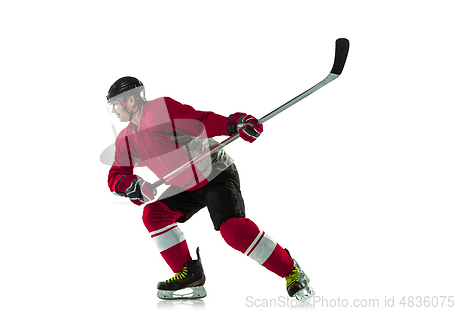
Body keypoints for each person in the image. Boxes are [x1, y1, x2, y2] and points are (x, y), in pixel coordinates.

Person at [106, 76, 314, 301]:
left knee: (233, 231)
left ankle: (292, 271)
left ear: (131, 101)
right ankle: (190, 275)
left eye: (116, 104)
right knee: (154, 214)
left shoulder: (158, 110)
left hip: (214, 170)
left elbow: (199, 121)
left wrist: (233, 125)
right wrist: (132, 186)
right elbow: (117, 174)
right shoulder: (126, 139)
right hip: (185, 184)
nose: (114, 110)